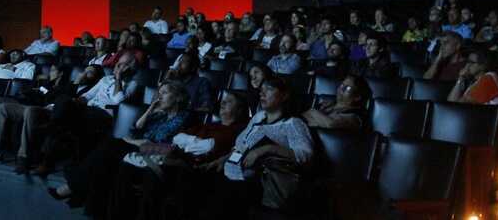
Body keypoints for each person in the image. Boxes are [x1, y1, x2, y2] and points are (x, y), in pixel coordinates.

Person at [47, 82, 191, 218]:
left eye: (164, 93)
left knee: (112, 145)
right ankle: (85, 198)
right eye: (159, 93)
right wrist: (150, 109)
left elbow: (158, 139)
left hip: (160, 152)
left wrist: (131, 140)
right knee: (108, 153)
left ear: (178, 97)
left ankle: (74, 189)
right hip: (142, 146)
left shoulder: (183, 117)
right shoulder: (159, 115)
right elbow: (135, 129)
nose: (159, 97)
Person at [109, 91, 251, 219]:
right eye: (224, 100)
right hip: (169, 151)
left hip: (186, 164)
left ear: (239, 110)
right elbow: (178, 137)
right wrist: (192, 142)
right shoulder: (208, 125)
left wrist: (189, 142)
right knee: (119, 151)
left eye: (229, 101)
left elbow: (207, 147)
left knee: (128, 152)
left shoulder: (235, 131)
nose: (223, 103)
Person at [197, 77, 314, 218]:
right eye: (261, 90)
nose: (262, 94)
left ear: (284, 95)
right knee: (197, 177)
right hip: (238, 171)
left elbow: (305, 154)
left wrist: (266, 149)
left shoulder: (293, 123)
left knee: (221, 193)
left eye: (269, 89)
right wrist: (222, 160)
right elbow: (241, 146)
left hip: (262, 181)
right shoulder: (258, 117)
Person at [0, 64, 84, 173]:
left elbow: (67, 98)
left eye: (53, 70)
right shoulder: (47, 84)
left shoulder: (68, 85)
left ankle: (24, 157)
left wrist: (75, 82)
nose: (50, 73)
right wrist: (35, 88)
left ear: (61, 73)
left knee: (30, 111)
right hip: (35, 107)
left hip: (50, 111)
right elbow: (35, 94)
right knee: (3, 107)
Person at [302, 75, 370, 130]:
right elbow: (304, 116)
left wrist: (313, 112)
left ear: (357, 97)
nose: (341, 89)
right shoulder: (328, 104)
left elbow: (331, 124)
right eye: (342, 85)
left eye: (348, 88)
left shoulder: (355, 116)